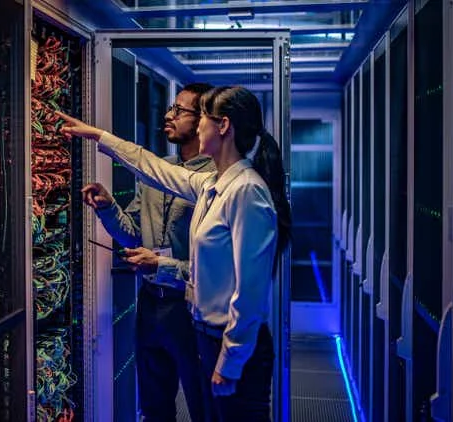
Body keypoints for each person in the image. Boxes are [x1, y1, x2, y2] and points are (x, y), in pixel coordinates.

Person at [56, 85, 292, 422]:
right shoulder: (213, 185)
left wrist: (231, 361)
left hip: (231, 345)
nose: (197, 128)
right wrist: (98, 136)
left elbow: (251, 292)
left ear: (222, 126)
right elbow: (152, 167)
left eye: (202, 119)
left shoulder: (247, 191)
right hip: (208, 336)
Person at [81, 83, 215, 422]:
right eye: (171, 108)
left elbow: (218, 269)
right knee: (154, 407)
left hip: (191, 307)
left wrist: (162, 264)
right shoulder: (155, 173)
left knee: (203, 405)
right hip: (152, 304)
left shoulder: (216, 180)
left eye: (180, 110)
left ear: (203, 121)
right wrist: (108, 207)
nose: (168, 115)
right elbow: (132, 236)